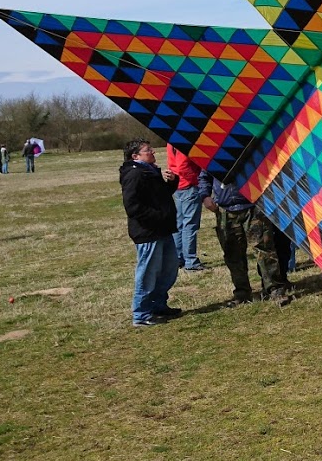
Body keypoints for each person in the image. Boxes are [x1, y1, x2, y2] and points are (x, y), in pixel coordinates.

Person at [198, 170, 294, 307]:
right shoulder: (211, 157)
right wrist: (205, 196)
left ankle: (275, 289)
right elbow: (204, 177)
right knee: (233, 254)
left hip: (253, 206)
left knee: (264, 250)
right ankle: (242, 293)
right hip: (225, 210)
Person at [120, 139, 183, 327]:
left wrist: (172, 182)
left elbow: (161, 196)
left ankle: (158, 305)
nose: (153, 152)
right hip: (148, 232)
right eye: (148, 150)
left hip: (163, 230)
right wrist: (158, 216)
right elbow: (132, 207)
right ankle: (141, 314)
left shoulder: (150, 171)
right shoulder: (134, 175)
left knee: (168, 270)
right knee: (148, 273)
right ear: (135, 156)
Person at [165, 145, 207, 271]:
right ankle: (190, 261)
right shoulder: (181, 142)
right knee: (190, 225)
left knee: (180, 224)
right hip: (187, 185)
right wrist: (195, 180)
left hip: (178, 185)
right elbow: (183, 166)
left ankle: (178, 258)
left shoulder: (171, 142)